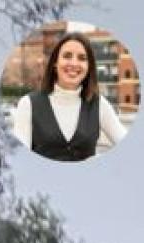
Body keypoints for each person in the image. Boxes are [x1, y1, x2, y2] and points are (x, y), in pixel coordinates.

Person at [10, 30, 128, 162]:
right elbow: (19, 159)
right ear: (55, 63)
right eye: (67, 56)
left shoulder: (100, 104)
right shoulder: (28, 104)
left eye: (82, 58)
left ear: (89, 67)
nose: (74, 63)